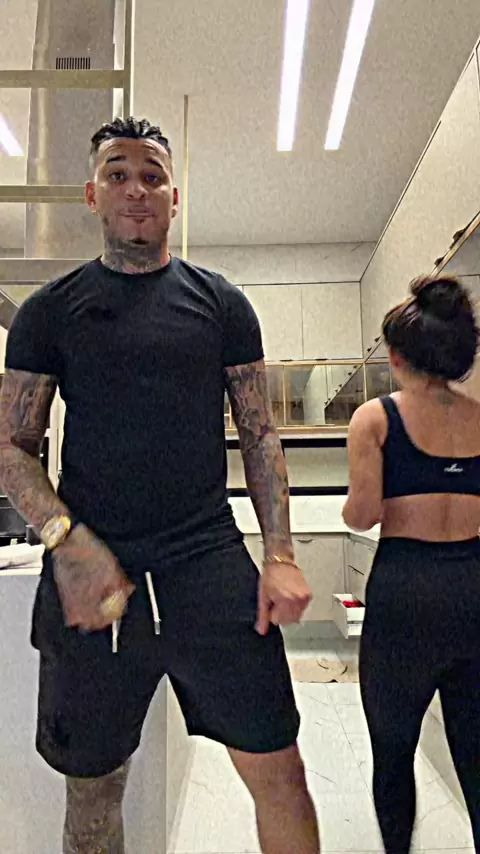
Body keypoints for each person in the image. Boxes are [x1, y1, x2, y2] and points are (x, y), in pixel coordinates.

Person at [0, 117, 321, 854]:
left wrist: (280, 554)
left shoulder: (221, 304)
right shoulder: (50, 312)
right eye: (117, 173)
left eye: (152, 175)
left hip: (206, 563)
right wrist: (66, 540)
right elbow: (11, 448)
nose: (136, 189)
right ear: (92, 193)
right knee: (93, 795)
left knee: (280, 771)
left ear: (175, 196)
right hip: (94, 574)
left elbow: (259, 433)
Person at [343, 274, 480, 853]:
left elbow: (362, 515)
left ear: (398, 356)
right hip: (473, 587)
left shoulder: (375, 419)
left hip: (406, 594)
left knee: (394, 750)